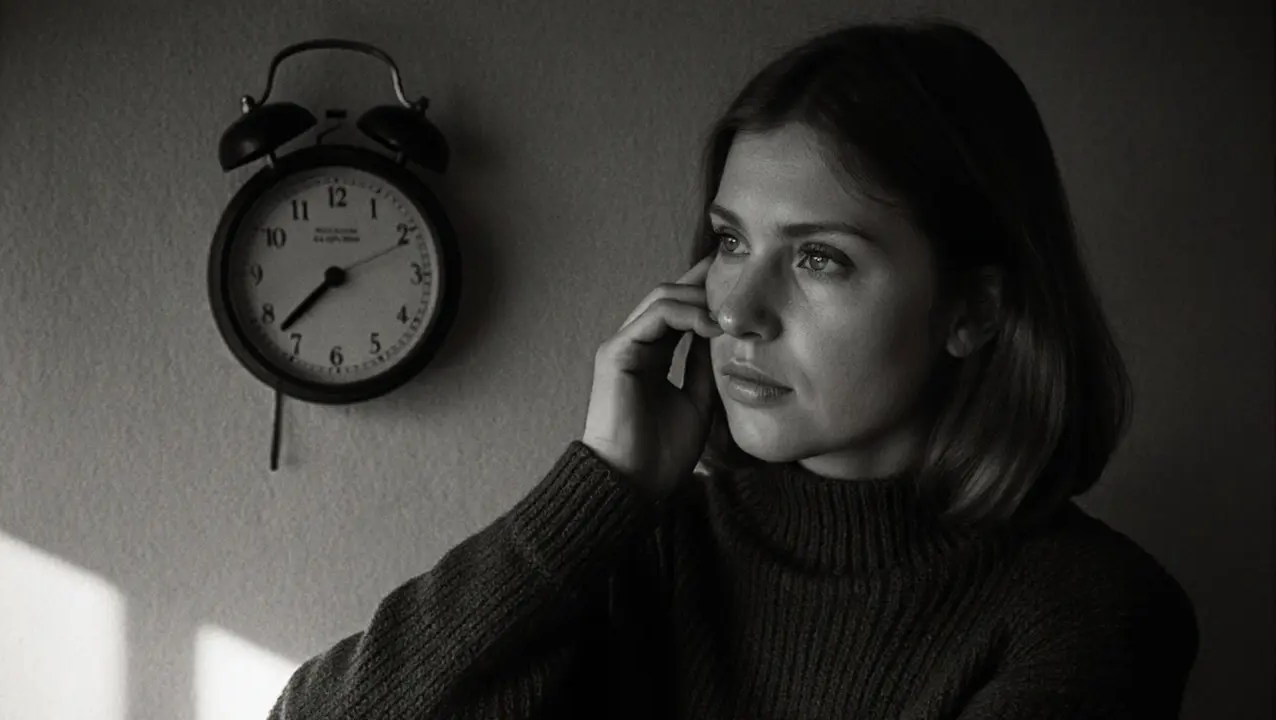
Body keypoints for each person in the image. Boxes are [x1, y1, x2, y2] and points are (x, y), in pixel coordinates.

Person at [267, 17, 1199, 719]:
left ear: (973, 311)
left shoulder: (1088, 613)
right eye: (729, 240)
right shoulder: (653, 546)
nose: (736, 309)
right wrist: (600, 487)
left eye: (819, 257)